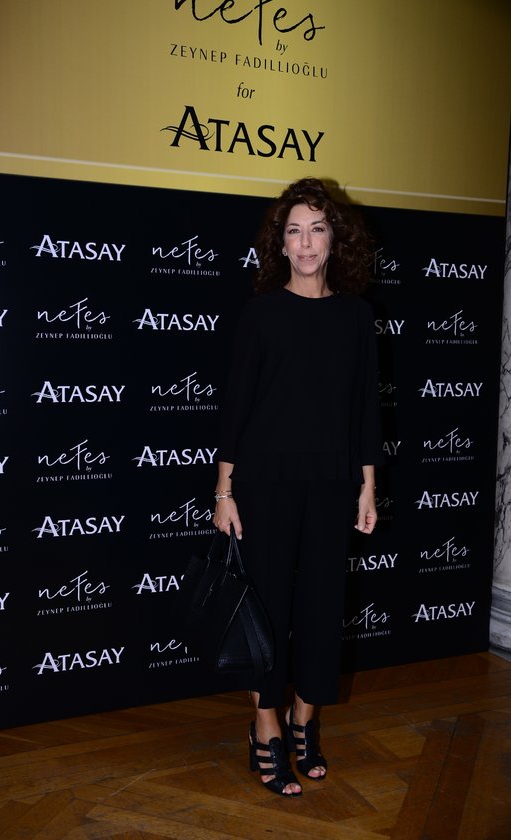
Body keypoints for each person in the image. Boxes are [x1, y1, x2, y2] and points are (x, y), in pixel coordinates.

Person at [212, 177, 383, 797]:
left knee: (320, 608)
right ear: (280, 244)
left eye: (317, 229)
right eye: (294, 231)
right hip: (265, 485)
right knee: (267, 611)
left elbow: (365, 412)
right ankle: (265, 726)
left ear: (335, 240)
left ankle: (304, 719)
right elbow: (236, 410)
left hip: (331, 485)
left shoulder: (356, 317)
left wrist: (366, 488)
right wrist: (224, 492)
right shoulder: (261, 313)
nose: (306, 243)